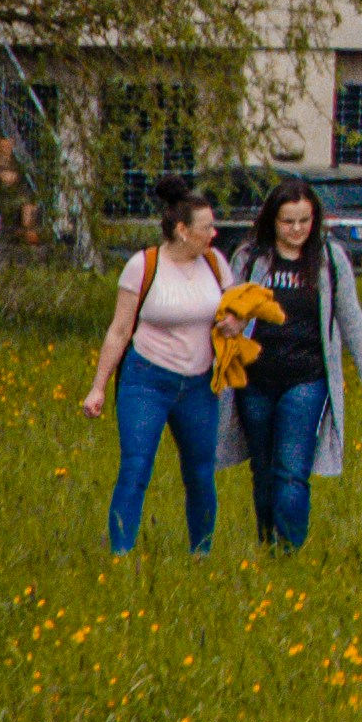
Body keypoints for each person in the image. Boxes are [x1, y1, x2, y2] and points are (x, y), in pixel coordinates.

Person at [221, 175, 362, 550]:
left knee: (292, 472)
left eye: (304, 220)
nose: (297, 229)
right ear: (272, 221)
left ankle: (289, 551)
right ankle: (267, 544)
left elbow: (352, 320)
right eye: (288, 221)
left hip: (307, 380)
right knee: (263, 471)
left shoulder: (329, 260)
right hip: (253, 382)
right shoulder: (250, 258)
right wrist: (229, 323)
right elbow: (222, 311)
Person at [80, 179, 234, 554]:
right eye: (206, 228)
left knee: (200, 474)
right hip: (146, 381)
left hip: (199, 385)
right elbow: (119, 331)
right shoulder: (143, 266)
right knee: (135, 467)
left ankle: (202, 554)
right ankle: (120, 554)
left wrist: (234, 325)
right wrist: (98, 387)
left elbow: (234, 312)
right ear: (182, 231)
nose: (214, 234)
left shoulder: (215, 264)